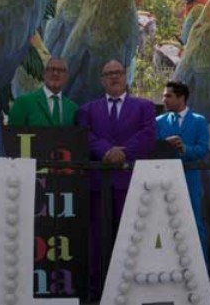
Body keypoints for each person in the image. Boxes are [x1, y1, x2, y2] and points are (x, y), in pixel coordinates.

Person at [77, 59, 156, 295]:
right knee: (97, 238)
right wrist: (106, 151)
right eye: (109, 73)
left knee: (132, 236)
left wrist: (123, 153)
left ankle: (132, 289)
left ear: (125, 76)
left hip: (131, 182)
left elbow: (148, 134)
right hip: (98, 185)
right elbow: (85, 136)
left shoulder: (144, 107)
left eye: (118, 73)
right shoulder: (87, 110)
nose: (114, 77)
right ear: (102, 79)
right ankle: (97, 289)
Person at [156, 80, 209, 262]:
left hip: (190, 179)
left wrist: (185, 149)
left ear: (181, 98)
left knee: (194, 223)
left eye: (168, 96)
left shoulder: (200, 121)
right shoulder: (159, 122)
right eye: (164, 96)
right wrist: (165, 145)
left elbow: (203, 150)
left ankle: (202, 269)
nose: (164, 100)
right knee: (165, 224)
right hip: (164, 180)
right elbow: (152, 149)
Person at [8, 57, 78, 127]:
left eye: (60, 70)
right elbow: (14, 135)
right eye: (51, 69)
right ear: (44, 74)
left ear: (66, 77)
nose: (55, 73)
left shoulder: (73, 109)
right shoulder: (23, 103)